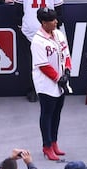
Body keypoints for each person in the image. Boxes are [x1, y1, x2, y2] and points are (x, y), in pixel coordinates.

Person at [14, 0, 66, 92]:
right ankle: (50, 88)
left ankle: (32, 91)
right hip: (48, 28)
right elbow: (59, 9)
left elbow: (17, 7)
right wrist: (56, 27)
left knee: (30, 61)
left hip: (29, 28)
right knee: (51, 59)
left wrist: (20, 24)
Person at [30, 8, 71, 161]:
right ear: (44, 23)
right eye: (52, 20)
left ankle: (54, 142)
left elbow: (66, 53)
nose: (56, 22)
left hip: (60, 80)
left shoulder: (59, 34)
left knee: (57, 113)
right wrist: (58, 78)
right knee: (47, 114)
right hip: (46, 83)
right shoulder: (38, 40)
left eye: (56, 19)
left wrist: (67, 71)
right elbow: (43, 65)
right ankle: (46, 146)